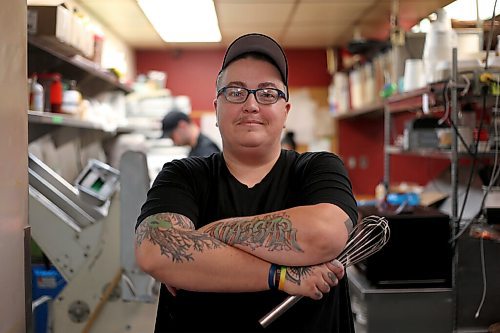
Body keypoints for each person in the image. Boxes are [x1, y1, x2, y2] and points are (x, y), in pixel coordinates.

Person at [135, 33, 358, 333]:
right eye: (236, 92)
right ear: (216, 109)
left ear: (285, 112)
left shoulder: (318, 168)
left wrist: (207, 234)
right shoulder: (182, 175)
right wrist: (281, 275)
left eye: (267, 93)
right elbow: (154, 250)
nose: (251, 104)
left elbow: (324, 234)